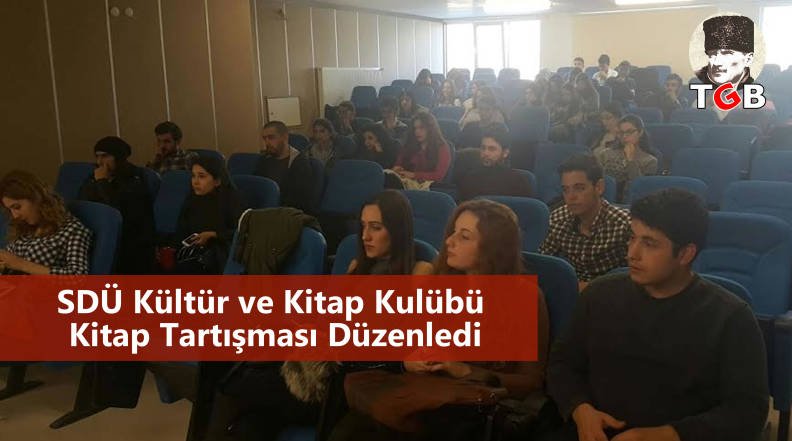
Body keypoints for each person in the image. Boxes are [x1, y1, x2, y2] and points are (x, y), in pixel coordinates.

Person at [546, 189, 769, 441]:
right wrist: (580, 409)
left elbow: (747, 411)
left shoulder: (730, 317)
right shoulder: (599, 295)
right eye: (632, 238)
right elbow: (562, 364)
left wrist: (667, 435)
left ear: (685, 254)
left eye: (649, 244)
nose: (632, 253)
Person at [330, 199, 550, 441]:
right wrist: (411, 360)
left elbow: (530, 382)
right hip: (419, 393)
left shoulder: (525, 297)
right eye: (453, 232)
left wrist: (465, 370)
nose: (449, 241)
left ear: (492, 246)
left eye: (464, 236)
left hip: (465, 410)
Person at [539, 154, 630, 289]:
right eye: (565, 190)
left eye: (579, 188)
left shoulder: (624, 223)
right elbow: (542, 263)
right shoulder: (558, 219)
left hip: (612, 293)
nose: (571, 197)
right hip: (572, 291)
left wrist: (586, 288)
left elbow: (638, 279)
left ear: (599, 187)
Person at [78, 136, 155, 274]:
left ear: (118, 157)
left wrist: (102, 183)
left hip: (129, 242)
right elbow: (84, 202)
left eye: (105, 156)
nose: (100, 162)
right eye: (97, 156)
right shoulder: (95, 177)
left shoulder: (135, 179)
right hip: (98, 235)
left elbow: (117, 212)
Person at [0, 170, 91, 275]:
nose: (15, 216)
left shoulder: (72, 230)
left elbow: (78, 276)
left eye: (17, 207)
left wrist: (21, 264)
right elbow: (11, 260)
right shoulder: (25, 226)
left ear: (36, 198)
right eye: (10, 210)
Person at [172, 156, 242, 274]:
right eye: (193, 176)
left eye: (202, 176)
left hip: (219, 254)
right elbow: (182, 229)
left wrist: (213, 235)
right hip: (193, 254)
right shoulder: (192, 198)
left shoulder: (231, 200)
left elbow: (241, 232)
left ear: (217, 181)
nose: (195, 182)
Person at [348, 190, 433, 275]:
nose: (365, 236)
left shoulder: (420, 271)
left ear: (397, 230)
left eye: (376, 227)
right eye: (363, 226)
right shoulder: (356, 266)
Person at [457, 124, 532, 201]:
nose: (485, 153)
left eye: (492, 149)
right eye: (483, 148)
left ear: (505, 153)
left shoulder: (518, 181)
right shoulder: (470, 178)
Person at [254, 121, 316, 213]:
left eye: (271, 137)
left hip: (289, 212)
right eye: (264, 138)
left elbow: (301, 199)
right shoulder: (264, 160)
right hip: (266, 209)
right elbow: (257, 187)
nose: (267, 142)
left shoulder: (299, 162)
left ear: (285, 137)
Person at [596, 114, 658, 202]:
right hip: (604, 200)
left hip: (631, 203)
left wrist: (630, 160)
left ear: (640, 132)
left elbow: (640, 189)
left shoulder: (650, 161)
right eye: (621, 133)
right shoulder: (606, 154)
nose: (624, 136)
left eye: (629, 132)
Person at [389, 112, 452, 190]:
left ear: (430, 128)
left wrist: (414, 175)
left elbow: (439, 176)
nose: (417, 131)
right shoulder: (410, 144)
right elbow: (399, 162)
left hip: (428, 186)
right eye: (415, 128)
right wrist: (397, 168)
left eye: (421, 128)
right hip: (404, 180)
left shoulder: (442, 147)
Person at [695, 15, 756, 89]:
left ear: (748, 60)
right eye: (712, 54)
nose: (716, 63)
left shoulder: (756, 88)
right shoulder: (696, 83)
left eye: (727, 53)